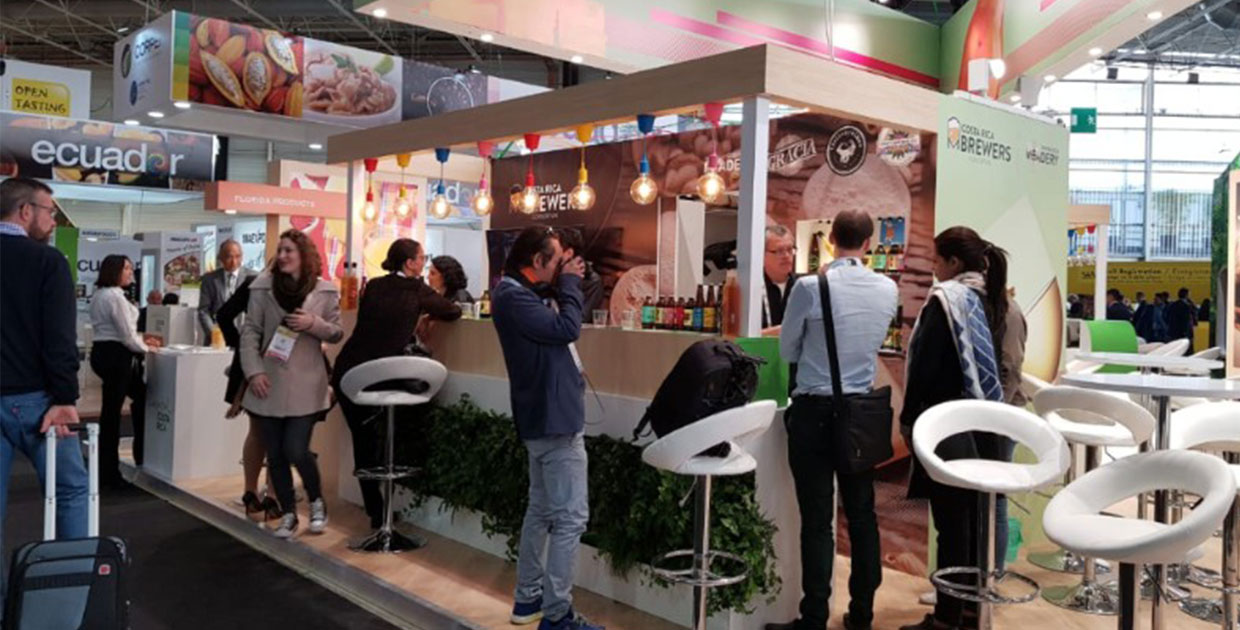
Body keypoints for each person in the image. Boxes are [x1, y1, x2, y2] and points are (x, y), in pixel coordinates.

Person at [768, 209, 897, 630]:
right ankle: (862, 613)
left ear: (830, 240)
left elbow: (788, 351)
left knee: (817, 521)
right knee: (862, 514)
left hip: (814, 412)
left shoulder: (810, 287)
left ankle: (814, 617)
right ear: (869, 243)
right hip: (861, 414)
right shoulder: (887, 288)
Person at [900, 227, 1010, 630]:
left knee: (951, 526)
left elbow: (925, 366)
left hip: (947, 426)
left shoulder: (946, 301)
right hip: (985, 424)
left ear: (953, 262)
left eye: (936, 259)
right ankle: (970, 610)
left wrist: (908, 418)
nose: (932, 267)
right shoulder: (992, 299)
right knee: (976, 522)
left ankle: (947, 616)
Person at [492, 227, 602, 630]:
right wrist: (570, 283)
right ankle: (557, 615)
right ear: (537, 261)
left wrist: (569, 280)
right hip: (554, 420)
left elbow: (561, 321)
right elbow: (567, 329)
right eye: (555, 260)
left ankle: (528, 599)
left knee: (540, 510)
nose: (560, 267)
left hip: (544, 417)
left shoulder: (519, 293)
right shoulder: (513, 296)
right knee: (570, 518)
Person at [333, 240, 461, 530]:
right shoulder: (416, 289)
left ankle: (377, 512)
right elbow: (452, 312)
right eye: (421, 258)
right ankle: (381, 514)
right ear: (409, 263)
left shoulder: (374, 286)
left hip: (348, 371)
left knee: (363, 440)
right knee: (378, 439)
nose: (424, 263)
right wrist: (426, 314)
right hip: (378, 377)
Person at [0, 177, 89, 552]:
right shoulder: (47, 262)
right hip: (37, 402)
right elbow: (59, 338)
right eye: (50, 212)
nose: (54, 222)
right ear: (25, 211)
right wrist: (65, 396)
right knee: (71, 490)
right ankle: (70, 585)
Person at [240, 230, 343, 539]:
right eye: (280, 250)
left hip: (307, 382)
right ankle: (287, 513)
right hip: (268, 381)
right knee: (276, 453)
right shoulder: (262, 287)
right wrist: (253, 372)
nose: (282, 256)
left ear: (303, 255)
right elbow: (250, 332)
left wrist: (313, 324)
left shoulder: (325, 291)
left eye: (289, 251)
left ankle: (316, 502)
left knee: (296, 448)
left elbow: (336, 332)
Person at [215, 269, 280, 521]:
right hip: (278, 365)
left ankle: (251, 493)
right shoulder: (292, 286)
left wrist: (240, 344)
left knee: (257, 431)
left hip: (251, 364)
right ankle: (272, 497)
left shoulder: (254, 284)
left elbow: (223, 314)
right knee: (277, 433)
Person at [90, 255, 159, 488]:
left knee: (127, 403)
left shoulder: (100, 295)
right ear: (115, 271)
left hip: (104, 352)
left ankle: (118, 462)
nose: (131, 272)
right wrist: (147, 348)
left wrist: (141, 341)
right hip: (116, 356)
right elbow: (126, 336)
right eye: (127, 268)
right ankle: (111, 470)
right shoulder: (114, 297)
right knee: (113, 413)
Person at [199, 240, 258, 345]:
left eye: (238, 256)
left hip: (244, 339)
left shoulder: (253, 278)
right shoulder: (209, 279)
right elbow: (204, 310)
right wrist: (214, 333)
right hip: (217, 340)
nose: (234, 261)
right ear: (221, 257)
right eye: (229, 257)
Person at [555, 228, 605, 320]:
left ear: (569, 253)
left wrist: (568, 282)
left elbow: (581, 318)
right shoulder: (552, 272)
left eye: (556, 249)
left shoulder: (591, 281)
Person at [762, 224, 798, 335]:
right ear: (762, 255)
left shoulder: (803, 286)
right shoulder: (751, 289)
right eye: (779, 251)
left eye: (790, 250)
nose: (786, 256)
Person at [1165, 287, 1197, 353]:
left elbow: (1167, 317)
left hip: (1173, 331)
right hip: (1184, 332)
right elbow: (1187, 320)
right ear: (1187, 295)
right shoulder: (1186, 306)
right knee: (1185, 350)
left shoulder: (1173, 305)